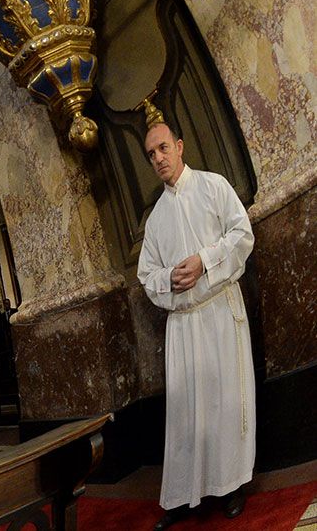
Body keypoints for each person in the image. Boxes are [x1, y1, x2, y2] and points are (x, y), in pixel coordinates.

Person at [137, 123, 255, 530]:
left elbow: (242, 235)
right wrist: (169, 278)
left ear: (180, 146)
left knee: (224, 402)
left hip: (219, 312)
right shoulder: (155, 220)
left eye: (163, 148)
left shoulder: (213, 186)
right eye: (151, 154)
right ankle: (186, 495)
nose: (158, 159)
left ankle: (231, 486)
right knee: (188, 414)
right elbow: (146, 275)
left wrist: (204, 260)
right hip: (184, 324)